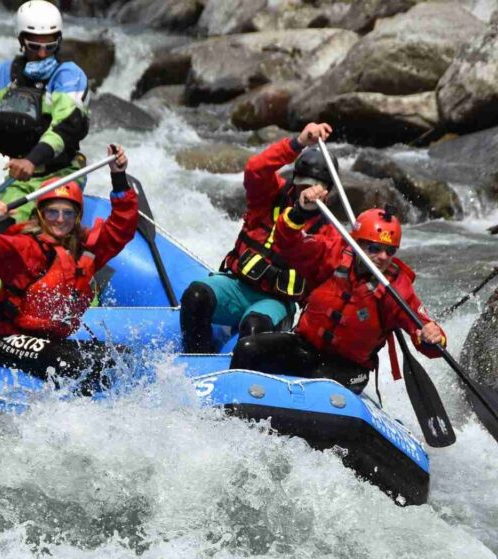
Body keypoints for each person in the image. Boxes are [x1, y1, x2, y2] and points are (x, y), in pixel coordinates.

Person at [230, 188, 446, 394]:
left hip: (349, 367)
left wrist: (431, 336)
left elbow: (422, 330)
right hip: (305, 347)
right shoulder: (331, 254)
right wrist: (300, 211)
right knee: (248, 348)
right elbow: (287, 243)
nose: (383, 257)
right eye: (374, 248)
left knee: (317, 383)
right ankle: (229, 407)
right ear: (357, 243)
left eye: (390, 251)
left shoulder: (396, 286)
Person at [0, 144, 137, 394]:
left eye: (68, 213)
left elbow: (121, 229)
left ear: (77, 216)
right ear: (41, 215)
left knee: (120, 357)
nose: (60, 219)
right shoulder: (26, 247)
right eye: (52, 212)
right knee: (72, 364)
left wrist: (118, 177)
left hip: (49, 340)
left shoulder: (85, 249)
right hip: (5, 339)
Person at [179, 122, 337, 353]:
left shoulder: (329, 233)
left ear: (329, 192)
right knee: (195, 296)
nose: (309, 192)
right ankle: (196, 358)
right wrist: (299, 142)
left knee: (254, 328)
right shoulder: (270, 195)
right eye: (304, 184)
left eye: (317, 188)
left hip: (276, 303)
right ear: (295, 180)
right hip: (238, 286)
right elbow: (256, 168)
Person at [0, 0, 91, 225]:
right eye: (34, 46)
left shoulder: (68, 75)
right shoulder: (1, 75)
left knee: (51, 222)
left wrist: (32, 160)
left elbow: (69, 123)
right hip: (18, 182)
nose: (42, 54)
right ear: (21, 41)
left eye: (50, 46)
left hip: (62, 175)